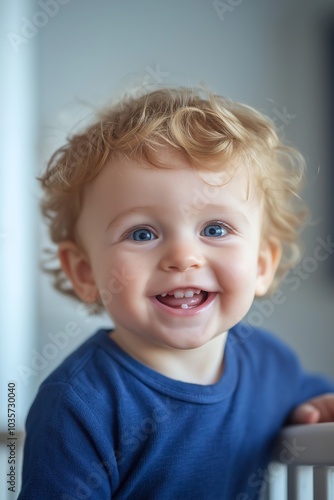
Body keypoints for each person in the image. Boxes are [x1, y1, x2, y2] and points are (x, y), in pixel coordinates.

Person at [18, 87, 334, 499]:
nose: (184, 257)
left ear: (261, 264)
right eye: (142, 233)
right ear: (84, 272)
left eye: (215, 229)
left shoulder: (272, 366)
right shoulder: (78, 405)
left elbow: (311, 402)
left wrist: (319, 409)